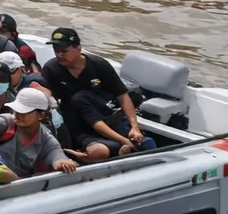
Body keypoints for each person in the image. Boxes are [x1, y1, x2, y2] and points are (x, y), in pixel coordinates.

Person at [41, 27, 150, 160]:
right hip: (78, 124)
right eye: (56, 50)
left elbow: (122, 95)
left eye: (64, 50)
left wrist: (134, 126)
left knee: (146, 144)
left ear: (78, 48)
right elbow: (45, 92)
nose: (59, 55)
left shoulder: (99, 65)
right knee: (99, 152)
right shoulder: (51, 69)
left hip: (107, 116)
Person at [0, 87, 77, 178]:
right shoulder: (1, 124)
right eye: (16, 110)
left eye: (24, 112)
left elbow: (56, 155)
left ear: (41, 115)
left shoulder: (46, 139)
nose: (18, 114)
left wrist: (62, 163)